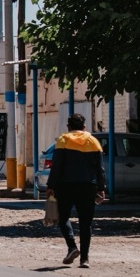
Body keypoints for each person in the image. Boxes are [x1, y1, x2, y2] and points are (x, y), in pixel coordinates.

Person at [47, 113, 106, 268]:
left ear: (69, 127)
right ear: (84, 127)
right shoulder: (93, 141)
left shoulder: (63, 140)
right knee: (86, 223)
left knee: (62, 217)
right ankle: (84, 259)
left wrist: (51, 186)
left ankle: (72, 247)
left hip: (66, 186)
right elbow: (100, 169)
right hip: (88, 186)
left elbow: (57, 166)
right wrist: (101, 188)